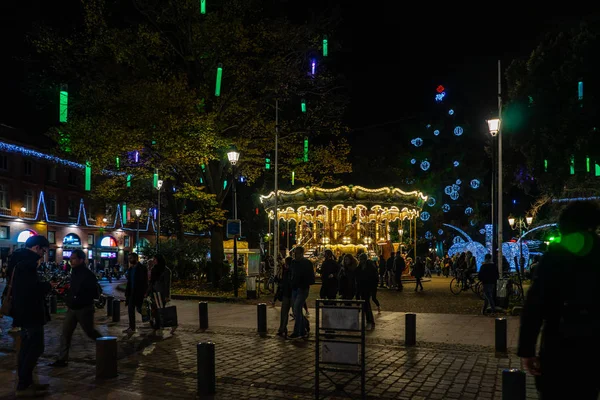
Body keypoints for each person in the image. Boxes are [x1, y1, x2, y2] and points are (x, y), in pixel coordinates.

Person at [518, 201, 600, 399]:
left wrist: (527, 349)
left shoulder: (555, 255)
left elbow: (535, 305)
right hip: (593, 347)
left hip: (559, 343)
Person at [10, 235, 52, 397]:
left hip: (22, 312)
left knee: (26, 348)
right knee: (35, 347)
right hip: (30, 312)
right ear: (36, 247)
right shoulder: (27, 264)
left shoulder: (18, 260)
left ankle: (26, 382)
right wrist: (47, 286)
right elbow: (30, 290)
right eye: (43, 250)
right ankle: (24, 384)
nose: (43, 253)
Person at [51, 249, 101, 367]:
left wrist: (79, 297)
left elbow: (93, 292)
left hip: (84, 308)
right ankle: (62, 359)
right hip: (72, 308)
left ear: (81, 260)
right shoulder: (73, 272)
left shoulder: (88, 275)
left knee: (90, 332)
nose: (71, 261)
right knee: (65, 333)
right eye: (71, 258)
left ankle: (107, 347)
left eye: (73, 258)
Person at [289, 246, 315, 339]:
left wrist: (304, 282)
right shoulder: (293, 263)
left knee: (296, 309)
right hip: (295, 288)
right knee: (296, 311)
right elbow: (291, 274)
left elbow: (311, 278)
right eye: (294, 253)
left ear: (301, 253)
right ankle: (305, 324)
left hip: (302, 289)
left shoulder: (307, 263)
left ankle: (298, 331)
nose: (295, 255)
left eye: (297, 253)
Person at [147, 254, 173, 334]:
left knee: (161, 310)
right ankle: (156, 324)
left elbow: (167, 284)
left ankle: (162, 324)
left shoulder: (166, 270)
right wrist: (148, 292)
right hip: (153, 293)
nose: (153, 261)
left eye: (155, 259)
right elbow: (151, 282)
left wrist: (166, 295)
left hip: (161, 294)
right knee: (154, 309)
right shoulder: (154, 269)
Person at [124, 253, 148, 335]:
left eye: (131, 258)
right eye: (129, 258)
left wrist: (145, 292)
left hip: (138, 292)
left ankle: (152, 319)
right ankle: (132, 327)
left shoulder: (142, 268)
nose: (129, 260)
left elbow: (145, 281)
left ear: (135, 258)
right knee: (130, 310)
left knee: (140, 309)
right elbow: (129, 281)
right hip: (131, 293)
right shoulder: (130, 269)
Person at [356, 253, 379, 329]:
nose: (361, 261)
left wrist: (373, 288)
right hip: (362, 288)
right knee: (365, 305)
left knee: (366, 304)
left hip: (368, 288)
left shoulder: (370, 267)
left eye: (361, 259)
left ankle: (370, 321)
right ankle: (368, 320)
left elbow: (374, 278)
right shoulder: (359, 267)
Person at [276, 257, 293, 338]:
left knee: (285, 313)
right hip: (289, 294)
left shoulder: (290, 272)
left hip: (290, 294)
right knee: (285, 313)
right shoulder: (286, 272)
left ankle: (282, 328)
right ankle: (282, 328)